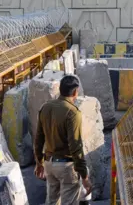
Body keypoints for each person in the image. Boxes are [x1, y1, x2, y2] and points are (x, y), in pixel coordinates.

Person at [34, 76, 92, 205]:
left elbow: (38, 139)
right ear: (76, 92)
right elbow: (76, 146)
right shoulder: (72, 112)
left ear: (60, 90)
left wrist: (39, 163)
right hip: (66, 167)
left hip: (49, 164)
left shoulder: (46, 107)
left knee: (52, 201)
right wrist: (84, 176)